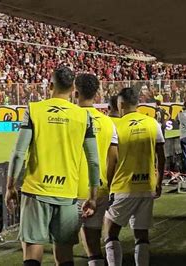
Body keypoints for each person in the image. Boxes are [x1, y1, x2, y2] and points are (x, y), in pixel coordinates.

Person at [6, 66, 100, 266]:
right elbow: (94, 161)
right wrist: (92, 197)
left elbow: (18, 153)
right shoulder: (84, 116)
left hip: (36, 192)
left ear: (50, 85)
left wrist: (10, 186)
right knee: (65, 254)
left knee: (32, 252)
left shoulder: (34, 110)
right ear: (73, 88)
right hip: (67, 194)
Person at [104, 87, 166, 266]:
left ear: (120, 104)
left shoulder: (116, 125)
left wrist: (108, 185)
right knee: (141, 235)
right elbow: (160, 156)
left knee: (110, 231)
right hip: (147, 186)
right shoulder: (152, 123)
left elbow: (113, 160)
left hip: (123, 186)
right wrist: (159, 183)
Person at [75, 74, 118, 266]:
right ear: (97, 93)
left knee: (63, 246)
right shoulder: (108, 122)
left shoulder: (71, 119)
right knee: (93, 244)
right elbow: (113, 159)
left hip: (73, 191)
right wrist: (107, 186)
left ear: (75, 92)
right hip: (100, 189)